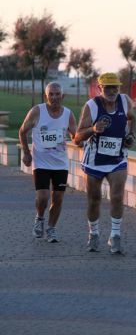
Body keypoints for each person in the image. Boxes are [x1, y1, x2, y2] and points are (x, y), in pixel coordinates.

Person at [74, 72, 136, 254]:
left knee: (117, 196)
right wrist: (92, 129)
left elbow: (133, 118)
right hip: (95, 161)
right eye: (108, 87)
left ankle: (115, 236)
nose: (112, 91)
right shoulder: (92, 106)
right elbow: (77, 137)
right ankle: (93, 233)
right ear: (100, 88)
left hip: (117, 159)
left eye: (115, 87)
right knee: (94, 200)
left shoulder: (125, 101)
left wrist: (131, 135)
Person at [19, 82, 77, 243]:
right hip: (41, 162)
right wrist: (26, 153)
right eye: (51, 94)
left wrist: (81, 139)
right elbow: (22, 131)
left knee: (58, 198)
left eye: (57, 94)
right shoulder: (37, 111)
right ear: (46, 96)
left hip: (60, 164)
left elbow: (75, 134)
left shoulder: (68, 114)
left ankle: (51, 229)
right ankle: (39, 218)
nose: (54, 97)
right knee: (43, 197)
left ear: (62, 96)